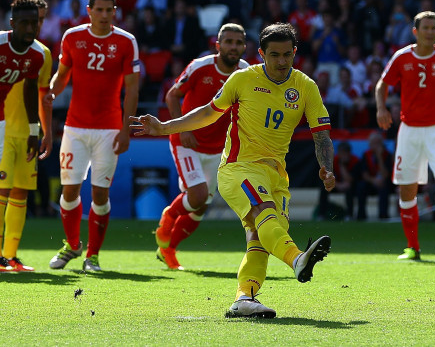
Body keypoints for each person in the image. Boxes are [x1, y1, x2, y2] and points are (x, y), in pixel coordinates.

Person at [131, 23, 335, 318]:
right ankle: (297, 259)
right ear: (261, 54)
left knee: (261, 238)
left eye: (286, 55)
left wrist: (326, 168)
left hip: (276, 173)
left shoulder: (305, 86)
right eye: (274, 55)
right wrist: (164, 127)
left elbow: (321, 134)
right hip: (239, 167)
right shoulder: (242, 79)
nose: (280, 62)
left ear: (295, 53)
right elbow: (206, 113)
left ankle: (244, 299)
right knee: (264, 214)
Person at [45, 0, 140, 272]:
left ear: (115, 11)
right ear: (89, 11)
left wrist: (127, 129)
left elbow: (132, 89)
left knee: (100, 195)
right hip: (74, 127)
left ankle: (93, 256)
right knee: (69, 191)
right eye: (98, 9)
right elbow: (61, 77)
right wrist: (51, 91)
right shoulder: (72, 37)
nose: (103, 15)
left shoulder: (126, 41)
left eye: (108, 10)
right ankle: (73, 245)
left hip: (109, 130)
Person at [375, 11, 435, 261]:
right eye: (426, 28)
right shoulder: (402, 57)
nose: (430, 31)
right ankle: (413, 247)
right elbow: (382, 84)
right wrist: (381, 107)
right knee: (407, 191)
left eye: (434, 28)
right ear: (415, 32)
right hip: (409, 131)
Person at [155, 23, 249, 270]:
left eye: (238, 43)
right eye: (228, 42)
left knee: (200, 208)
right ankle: (169, 217)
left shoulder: (246, 73)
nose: (233, 47)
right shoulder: (199, 67)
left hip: (219, 148)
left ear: (244, 47)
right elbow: (171, 96)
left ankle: (168, 250)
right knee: (196, 196)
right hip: (188, 141)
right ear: (217, 46)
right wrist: (183, 128)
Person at [0, 0, 45, 273]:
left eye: (35, 24)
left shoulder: (36, 56)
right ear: (12, 23)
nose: (30, 29)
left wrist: (33, 130)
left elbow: (31, 91)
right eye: (25, 24)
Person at [317, 141, 359, 220]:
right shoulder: (332, 161)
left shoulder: (355, 161)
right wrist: (338, 185)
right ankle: (321, 214)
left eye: (345, 153)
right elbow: (328, 178)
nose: (343, 155)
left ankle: (349, 215)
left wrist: (342, 165)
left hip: (349, 185)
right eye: (341, 153)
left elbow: (351, 180)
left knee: (351, 190)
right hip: (336, 184)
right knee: (324, 189)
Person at [356, 132, 393, 220]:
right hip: (371, 181)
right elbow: (364, 174)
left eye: (378, 143)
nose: (375, 145)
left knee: (384, 187)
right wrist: (374, 181)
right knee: (361, 186)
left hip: (384, 181)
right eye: (373, 143)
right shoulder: (366, 155)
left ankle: (383, 215)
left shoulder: (387, 155)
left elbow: (386, 174)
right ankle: (361, 215)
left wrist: (379, 157)